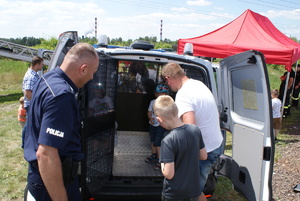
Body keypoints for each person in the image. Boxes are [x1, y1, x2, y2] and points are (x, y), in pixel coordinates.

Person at [23, 43, 99, 201]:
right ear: (83, 69)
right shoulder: (61, 96)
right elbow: (46, 154)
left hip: (40, 178)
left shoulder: (47, 79)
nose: (91, 78)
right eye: (92, 73)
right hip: (54, 184)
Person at [161, 62, 223, 201]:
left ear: (168, 78)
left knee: (192, 193)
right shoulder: (198, 84)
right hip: (214, 143)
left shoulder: (183, 95)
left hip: (204, 150)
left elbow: (190, 129)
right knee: (196, 190)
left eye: (167, 83)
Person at [153, 95, 207, 201]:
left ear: (159, 119)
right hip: (193, 190)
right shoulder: (195, 130)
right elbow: (204, 156)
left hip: (175, 194)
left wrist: (162, 164)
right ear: (177, 111)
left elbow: (169, 174)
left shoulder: (168, 140)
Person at [145, 83, 169, 170]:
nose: (161, 98)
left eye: (163, 95)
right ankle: (154, 154)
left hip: (161, 125)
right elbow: (149, 112)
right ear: (156, 94)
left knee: (158, 142)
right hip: (152, 124)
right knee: (152, 140)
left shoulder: (167, 104)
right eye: (159, 95)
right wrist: (150, 118)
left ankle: (160, 160)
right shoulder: (153, 102)